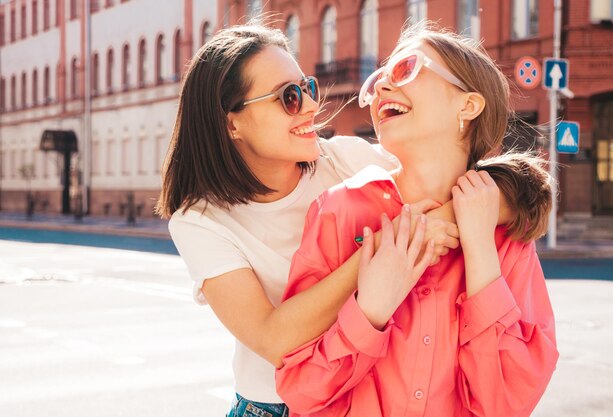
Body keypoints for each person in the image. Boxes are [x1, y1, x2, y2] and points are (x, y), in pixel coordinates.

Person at [157, 24, 462, 417]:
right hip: (274, 406)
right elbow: (273, 339)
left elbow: (470, 199)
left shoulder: (348, 161)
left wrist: (511, 194)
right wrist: (379, 256)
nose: (309, 106)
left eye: (307, 88)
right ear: (231, 123)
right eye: (287, 97)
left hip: (364, 395)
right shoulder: (199, 221)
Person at [276, 24, 559, 417]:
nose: (380, 90)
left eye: (406, 68)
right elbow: (301, 390)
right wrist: (371, 308)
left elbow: (505, 404)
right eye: (377, 81)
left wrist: (478, 247)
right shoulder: (339, 210)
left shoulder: (504, 234)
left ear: (468, 105)